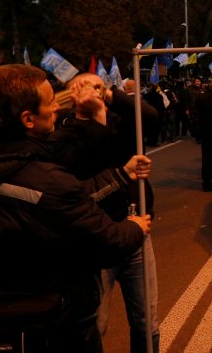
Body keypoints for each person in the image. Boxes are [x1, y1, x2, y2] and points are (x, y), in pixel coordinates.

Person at [0, 65, 151, 352]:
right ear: (28, 118)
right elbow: (109, 239)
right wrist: (135, 225)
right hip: (58, 323)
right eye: (50, 103)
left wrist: (121, 174)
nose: (57, 109)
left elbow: (59, 199)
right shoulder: (47, 178)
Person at [56, 73, 162, 353]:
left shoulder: (117, 120)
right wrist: (97, 113)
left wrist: (112, 96)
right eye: (88, 86)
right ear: (74, 94)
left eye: (99, 86)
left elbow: (150, 116)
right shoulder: (64, 132)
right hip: (96, 241)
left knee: (146, 321)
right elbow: (93, 163)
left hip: (136, 230)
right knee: (95, 324)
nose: (95, 90)